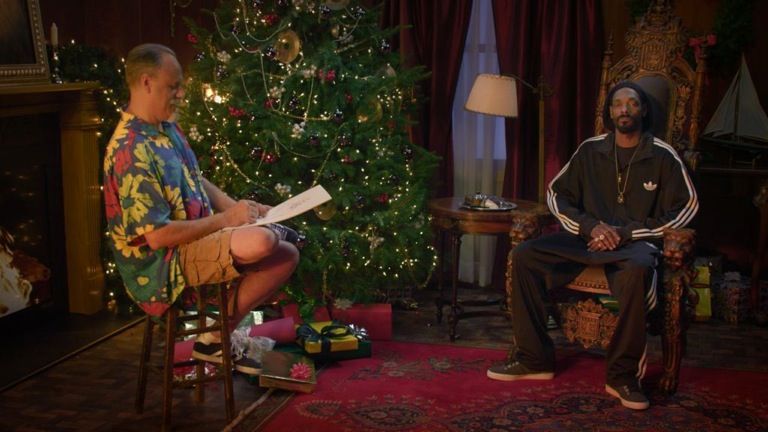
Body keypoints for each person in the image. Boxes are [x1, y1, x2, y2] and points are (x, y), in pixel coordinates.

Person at [486, 81, 698, 410]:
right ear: (609, 112)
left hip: (633, 245)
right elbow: (556, 194)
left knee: (639, 270)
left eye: (632, 103)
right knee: (524, 255)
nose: (624, 109)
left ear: (643, 110)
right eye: (618, 103)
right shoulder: (590, 150)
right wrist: (589, 227)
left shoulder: (662, 155)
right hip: (584, 240)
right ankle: (533, 358)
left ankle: (622, 377)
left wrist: (626, 233)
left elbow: (687, 207)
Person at [103, 43, 299, 375]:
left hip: (196, 236)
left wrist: (239, 208)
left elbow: (194, 177)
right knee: (263, 242)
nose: (180, 93)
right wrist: (227, 220)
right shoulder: (129, 150)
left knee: (287, 254)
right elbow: (158, 237)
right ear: (147, 82)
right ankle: (216, 336)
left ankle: (214, 338)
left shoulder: (165, 128)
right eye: (173, 86)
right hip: (163, 263)